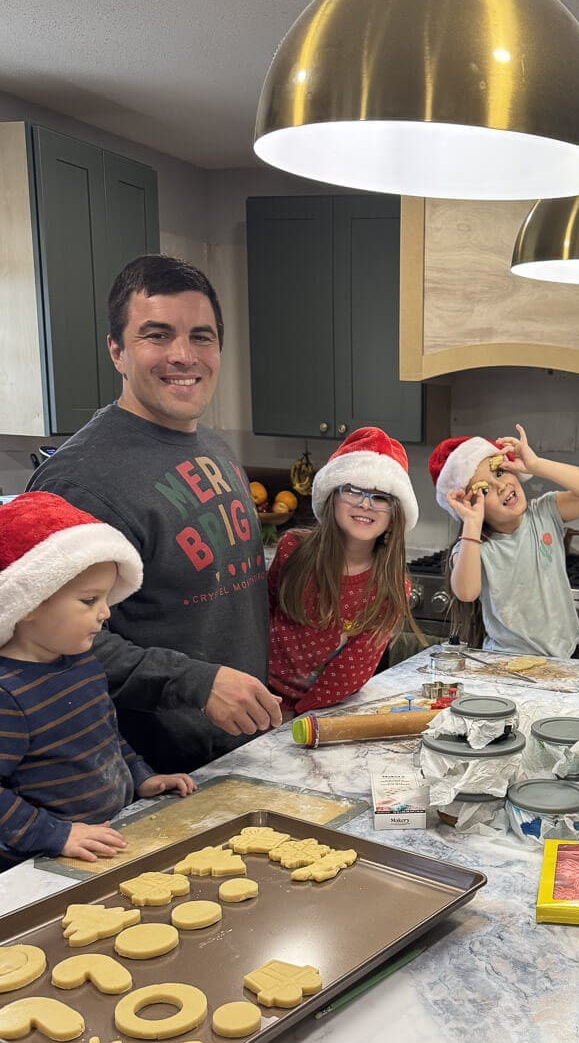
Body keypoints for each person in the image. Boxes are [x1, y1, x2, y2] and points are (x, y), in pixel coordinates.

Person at [28, 255, 281, 773]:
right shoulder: (78, 483)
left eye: (202, 337)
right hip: (146, 777)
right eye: (158, 335)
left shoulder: (211, 444)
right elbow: (38, 639)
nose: (184, 356)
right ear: (117, 351)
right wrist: (196, 682)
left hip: (234, 753)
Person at [0, 493, 195, 868]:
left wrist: (140, 776)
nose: (105, 612)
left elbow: (102, 736)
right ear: (28, 604)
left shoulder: (81, 663)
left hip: (104, 839)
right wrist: (57, 834)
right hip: (43, 861)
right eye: (89, 600)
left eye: (106, 598)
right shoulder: (8, 694)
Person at [268, 427, 422, 715]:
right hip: (259, 698)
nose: (365, 504)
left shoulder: (390, 586)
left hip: (319, 709)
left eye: (380, 497)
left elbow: (352, 669)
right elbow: (259, 618)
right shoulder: (293, 548)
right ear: (331, 497)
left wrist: (300, 714)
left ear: (395, 514)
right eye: (352, 490)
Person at [428, 425, 579, 657]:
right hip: (506, 661)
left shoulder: (544, 513)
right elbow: (466, 592)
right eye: (484, 491)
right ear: (468, 505)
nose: (501, 486)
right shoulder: (473, 546)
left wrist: (536, 465)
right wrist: (471, 523)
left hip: (567, 656)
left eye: (499, 472)